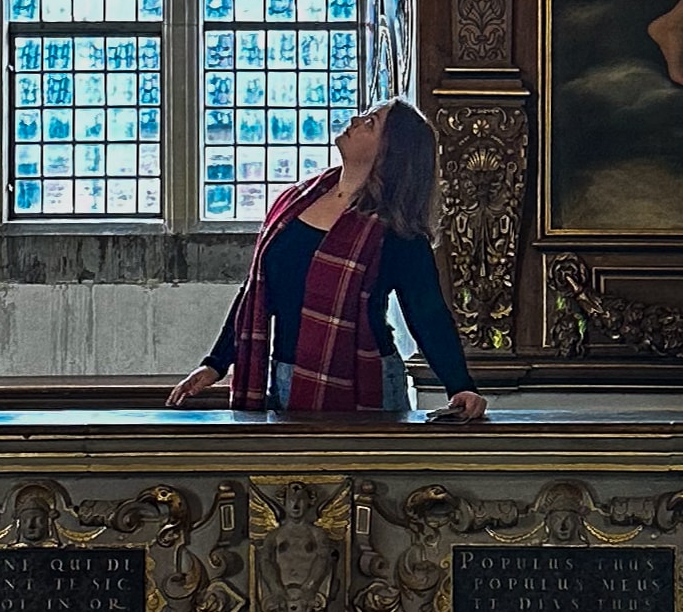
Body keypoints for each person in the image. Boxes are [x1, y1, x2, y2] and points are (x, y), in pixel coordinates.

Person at [167, 101, 487, 420]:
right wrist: (215, 363)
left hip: (363, 382)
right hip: (286, 375)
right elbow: (257, 292)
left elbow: (427, 312)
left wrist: (460, 384)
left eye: (371, 123)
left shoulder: (395, 230)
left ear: (389, 151)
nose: (356, 120)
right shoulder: (297, 200)